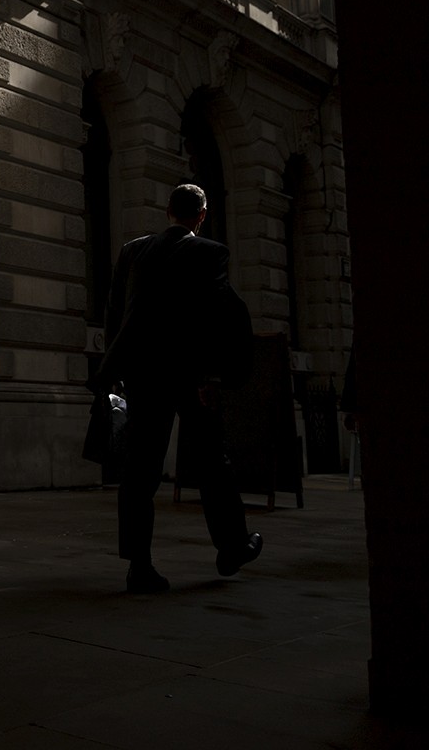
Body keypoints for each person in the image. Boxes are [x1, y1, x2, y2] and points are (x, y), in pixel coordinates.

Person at [92, 183, 262, 594]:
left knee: (140, 470)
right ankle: (231, 548)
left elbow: (115, 313)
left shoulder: (132, 251)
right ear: (201, 216)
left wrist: (115, 371)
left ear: (167, 210)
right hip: (189, 375)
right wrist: (212, 376)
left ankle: (140, 566)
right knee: (211, 461)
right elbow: (214, 317)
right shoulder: (210, 252)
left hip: (143, 375)